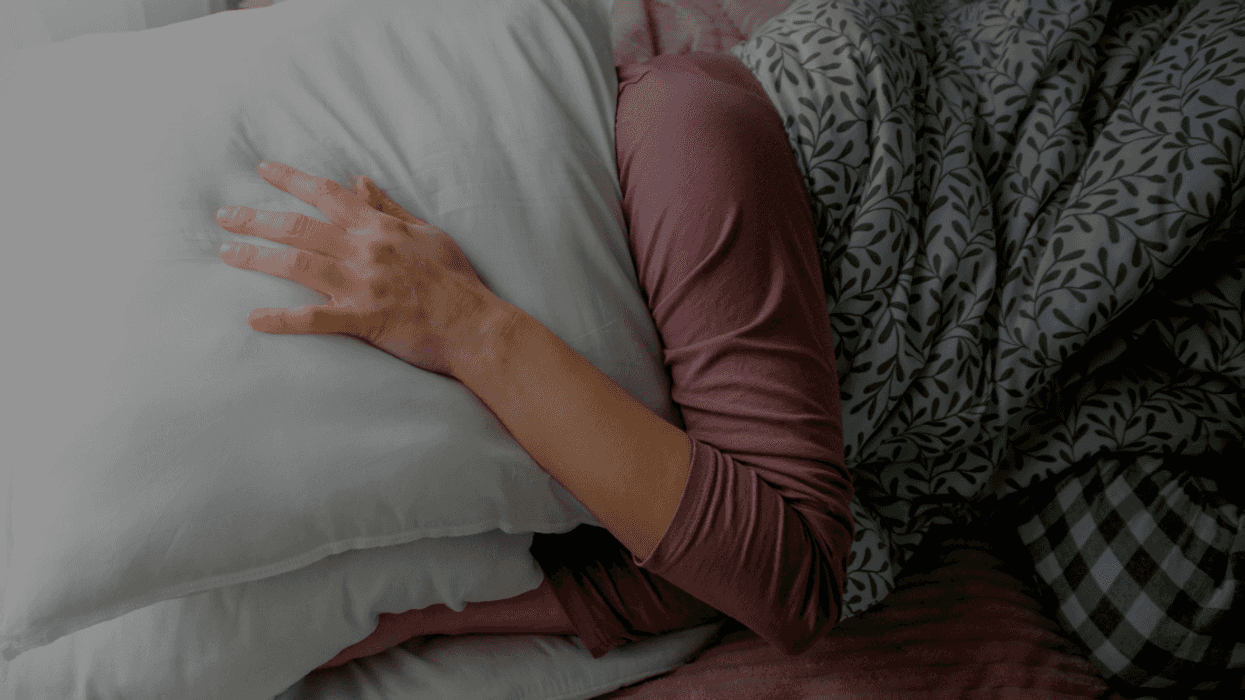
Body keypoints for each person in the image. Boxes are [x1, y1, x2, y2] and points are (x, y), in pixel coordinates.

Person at [213, 50, 854, 666]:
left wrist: (463, 323)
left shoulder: (684, 130)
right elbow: (714, 570)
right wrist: (406, 613)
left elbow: (793, 579)